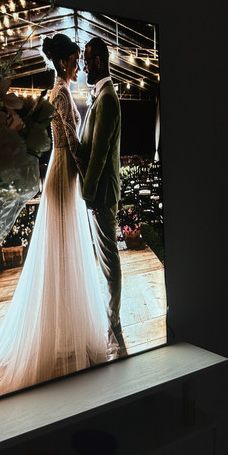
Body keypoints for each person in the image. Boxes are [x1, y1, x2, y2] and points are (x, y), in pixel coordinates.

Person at [0, 34, 117, 404]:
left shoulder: (58, 92)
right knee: (64, 254)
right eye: (75, 60)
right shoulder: (62, 94)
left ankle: (64, 330)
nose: (78, 66)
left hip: (60, 171)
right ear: (65, 61)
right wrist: (89, 180)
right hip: (64, 172)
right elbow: (74, 144)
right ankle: (64, 336)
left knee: (64, 254)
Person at [79, 37, 127, 356]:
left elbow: (98, 154)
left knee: (110, 261)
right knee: (106, 258)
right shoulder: (101, 96)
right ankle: (111, 318)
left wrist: (89, 194)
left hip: (102, 194)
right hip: (99, 193)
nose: (84, 65)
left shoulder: (108, 98)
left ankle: (115, 322)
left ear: (98, 61)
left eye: (87, 59)